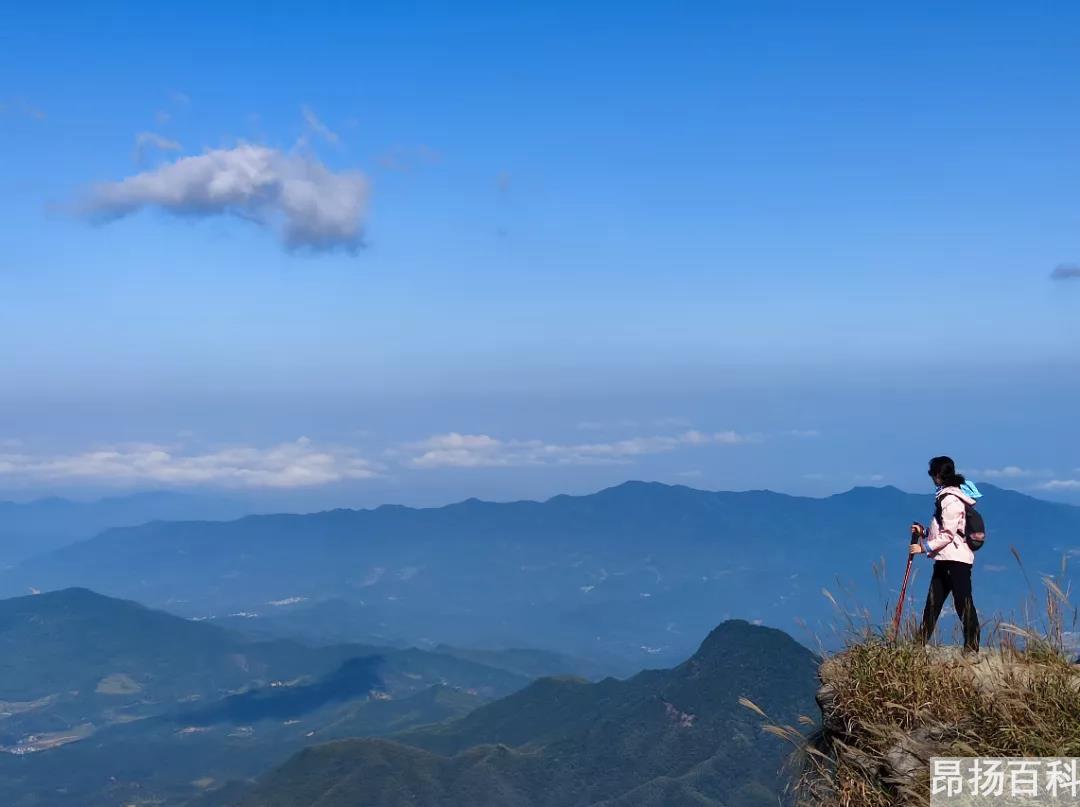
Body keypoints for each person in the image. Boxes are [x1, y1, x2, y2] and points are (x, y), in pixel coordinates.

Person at [909, 456, 980, 653]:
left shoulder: (950, 499)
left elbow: (949, 534)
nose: (931, 477)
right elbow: (945, 530)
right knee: (934, 602)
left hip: (956, 560)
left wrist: (923, 547)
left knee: (962, 603)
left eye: (932, 473)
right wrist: (923, 532)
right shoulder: (949, 497)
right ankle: (918, 644)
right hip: (946, 559)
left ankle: (972, 647)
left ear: (939, 475)